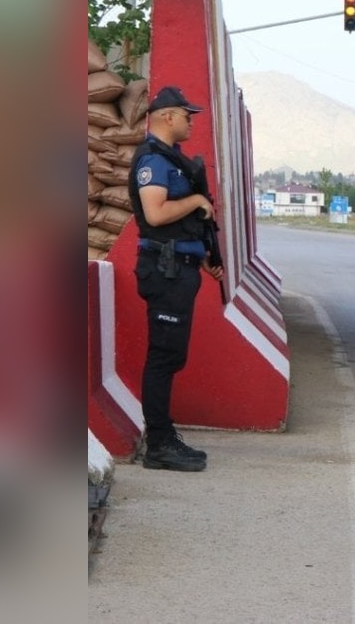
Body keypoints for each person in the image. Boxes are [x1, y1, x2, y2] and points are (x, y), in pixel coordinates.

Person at [128, 86, 224, 473]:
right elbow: (154, 214)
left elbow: (177, 226)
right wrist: (197, 202)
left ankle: (164, 437)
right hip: (164, 272)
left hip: (178, 268)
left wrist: (202, 257)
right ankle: (159, 445)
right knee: (163, 357)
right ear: (167, 116)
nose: (191, 121)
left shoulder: (173, 159)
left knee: (171, 355)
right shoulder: (153, 159)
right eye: (187, 115)